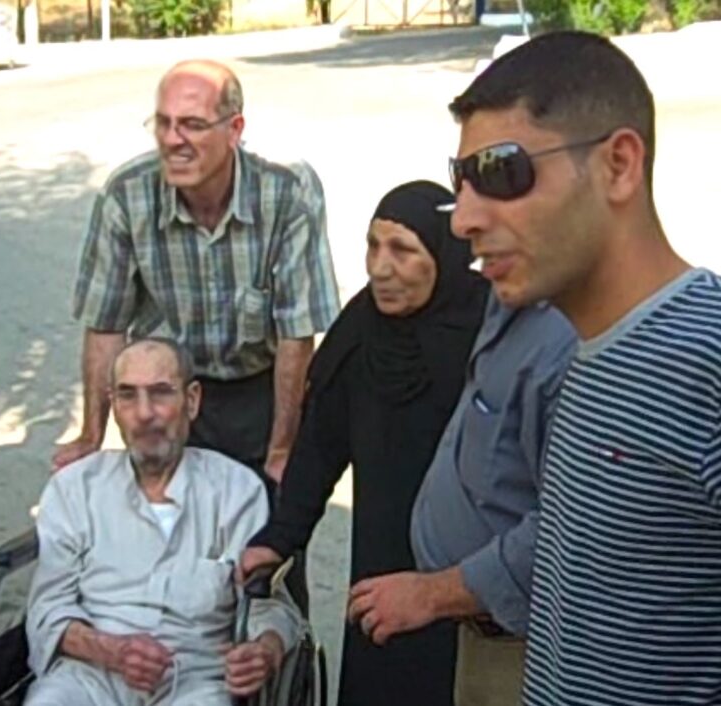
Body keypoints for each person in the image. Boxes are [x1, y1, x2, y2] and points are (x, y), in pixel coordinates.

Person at [449, 32, 721, 705]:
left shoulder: (704, 362)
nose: (464, 219)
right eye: (460, 182)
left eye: (502, 172)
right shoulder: (588, 355)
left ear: (619, 165)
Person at [240, 180, 489, 705]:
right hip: (379, 573)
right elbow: (320, 449)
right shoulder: (361, 332)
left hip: (468, 584)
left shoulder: (489, 330)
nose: (379, 266)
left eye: (402, 249)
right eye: (373, 246)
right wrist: (280, 536)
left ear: (446, 254)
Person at [54, 59, 340, 490]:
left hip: (261, 391)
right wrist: (91, 435)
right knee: (168, 536)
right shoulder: (126, 196)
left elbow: (296, 337)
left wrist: (282, 449)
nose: (173, 140)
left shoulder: (286, 194)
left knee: (264, 540)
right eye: (163, 123)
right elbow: (105, 325)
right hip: (172, 392)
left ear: (234, 129)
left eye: (191, 124)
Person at [25, 338, 300, 706]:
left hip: (197, 678)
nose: (144, 413)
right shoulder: (75, 489)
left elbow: (269, 604)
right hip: (90, 675)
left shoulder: (237, 492)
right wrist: (111, 650)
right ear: (114, 404)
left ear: (192, 401)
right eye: (127, 395)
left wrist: (265, 650)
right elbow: (47, 608)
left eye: (160, 393)